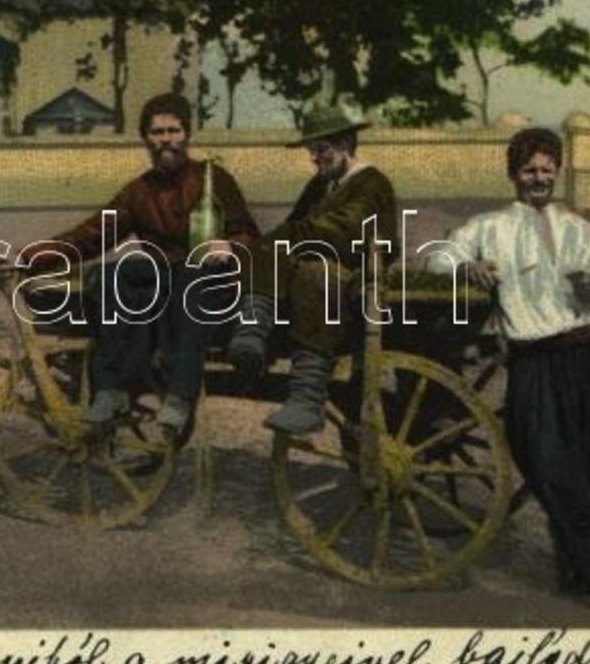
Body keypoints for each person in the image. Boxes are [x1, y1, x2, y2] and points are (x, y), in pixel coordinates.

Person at [436, 126, 590, 608]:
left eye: (546, 170)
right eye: (529, 170)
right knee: (545, 459)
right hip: (533, 361)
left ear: (557, 175)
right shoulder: (491, 227)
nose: (538, 179)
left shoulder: (578, 229)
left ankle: (583, 577)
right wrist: (466, 267)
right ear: (513, 176)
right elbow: (441, 256)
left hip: (585, 357)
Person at [21, 92, 258, 432]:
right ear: (145, 138)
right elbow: (91, 235)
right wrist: (28, 258)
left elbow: (248, 233)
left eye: (173, 131)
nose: (165, 141)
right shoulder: (139, 192)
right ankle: (111, 390)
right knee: (108, 276)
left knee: (190, 279)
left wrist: (230, 245)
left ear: (187, 134)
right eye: (157, 133)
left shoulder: (212, 178)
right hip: (165, 273)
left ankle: (178, 396)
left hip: (213, 278)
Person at [226, 106, 398, 434]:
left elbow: (346, 230)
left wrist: (292, 237)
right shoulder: (321, 185)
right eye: (312, 151)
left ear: (347, 143)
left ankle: (307, 397)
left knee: (315, 274)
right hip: (316, 265)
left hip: (356, 275)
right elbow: (295, 225)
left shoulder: (371, 183)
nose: (315, 158)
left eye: (322, 150)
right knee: (267, 248)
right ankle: (251, 334)